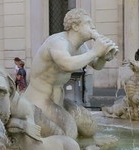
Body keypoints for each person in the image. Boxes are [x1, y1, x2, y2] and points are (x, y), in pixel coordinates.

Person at [25, 8, 118, 139]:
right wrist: (95, 52)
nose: (93, 26)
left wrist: (103, 56)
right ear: (75, 26)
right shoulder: (58, 42)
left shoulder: (81, 46)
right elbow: (67, 64)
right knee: (70, 134)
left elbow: (97, 65)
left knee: (89, 128)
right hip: (38, 101)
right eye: (88, 23)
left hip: (59, 100)